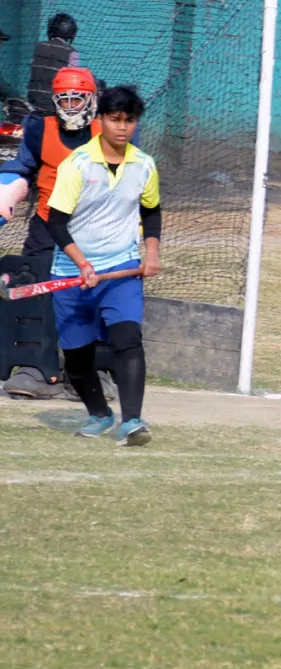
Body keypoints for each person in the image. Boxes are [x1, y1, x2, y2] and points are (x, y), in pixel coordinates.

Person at [46, 85, 161, 446]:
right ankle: (99, 414)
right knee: (77, 359)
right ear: (100, 120)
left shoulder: (144, 165)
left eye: (129, 120)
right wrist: (82, 263)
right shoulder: (77, 164)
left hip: (121, 268)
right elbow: (55, 222)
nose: (122, 127)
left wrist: (152, 252)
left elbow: (151, 211)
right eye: (115, 119)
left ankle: (132, 421)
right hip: (72, 274)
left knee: (128, 339)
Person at [0, 66, 116, 402]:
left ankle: (92, 371)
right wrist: (6, 192)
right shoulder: (39, 127)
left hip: (97, 224)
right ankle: (34, 368)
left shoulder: (111, 128)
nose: (70, 106)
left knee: (95, 292)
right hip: (48, 222)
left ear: (92, 99)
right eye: (63, 99)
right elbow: (21, 166)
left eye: (77, 99)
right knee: (34, 289)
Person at [28, 13, 81, 116]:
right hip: (55, 105)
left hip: (33, 101)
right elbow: (72, 80)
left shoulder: (40, 46)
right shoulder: (71, 52)